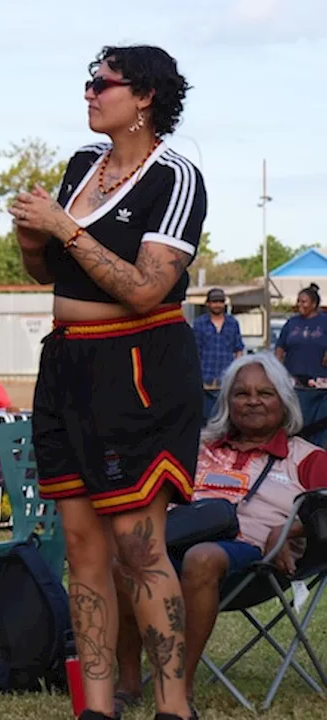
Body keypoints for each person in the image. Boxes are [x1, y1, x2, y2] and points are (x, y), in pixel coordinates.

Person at [10, 45, 206, 720]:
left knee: (138, 546)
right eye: (88, 83)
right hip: (65, 364)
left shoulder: (175, 177)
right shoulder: (78, 168)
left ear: (144, 95)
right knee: (82, 547)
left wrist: (65, 228)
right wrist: (34, 237)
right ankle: (96, 708)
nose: (89, 94)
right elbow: (48, 276)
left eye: (103, 83)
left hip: (137, 365)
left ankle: (173, 706)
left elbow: (149, 289)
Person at [112, 353, 327, 716]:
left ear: (284, 401)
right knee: (123, 559)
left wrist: (289, 527)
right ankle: (129, 682)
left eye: (265, 393)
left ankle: (181, 685)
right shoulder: (198, 447)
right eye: (241, 393)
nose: (253, 400)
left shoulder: (305, 457)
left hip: (253, 562)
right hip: (172, 546)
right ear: (227, 401)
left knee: (204, 557)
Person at [275, 284, 327, 447]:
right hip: (293, 379)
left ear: (314, 304)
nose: (300, 305)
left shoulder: (324, 321)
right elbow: (280, 347)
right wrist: (276, 370)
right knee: (295, 417)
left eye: (304, 302)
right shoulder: (292, 322)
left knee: (317, 420)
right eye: (298, 301)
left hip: (319, 381)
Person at [193, 288, 244, 389]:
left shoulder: (232, 323)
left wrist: (236, 372)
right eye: (214, 302)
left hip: (227, 380)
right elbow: (194, 352)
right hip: (204, 380)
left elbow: (238, 349)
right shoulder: (199, 323)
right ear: (208, 304)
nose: (218, 305)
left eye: (221, 302)